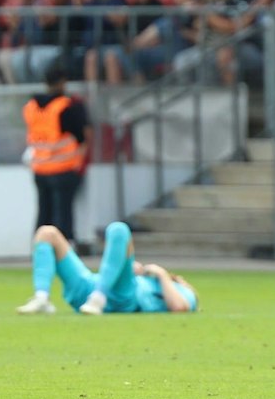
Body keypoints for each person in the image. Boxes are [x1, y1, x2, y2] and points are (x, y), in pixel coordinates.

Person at [16, 221, 198, 314]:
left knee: (119, 229)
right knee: (47, 233)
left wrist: (162, 274)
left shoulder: (182, 291)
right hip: (87, 288)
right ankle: (42, 298)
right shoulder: (146, 279)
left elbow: (179, 307)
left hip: (121, 298)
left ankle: (99, 297)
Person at [24, 64, 90, 241]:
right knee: (63, 216)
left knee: (43, 213)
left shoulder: (31, 106)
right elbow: (82, 138)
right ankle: (63, 249)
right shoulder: (66, 106)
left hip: (40, 167)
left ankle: (40, 248)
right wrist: (79, 163)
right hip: (63, 167)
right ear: (62, 82)